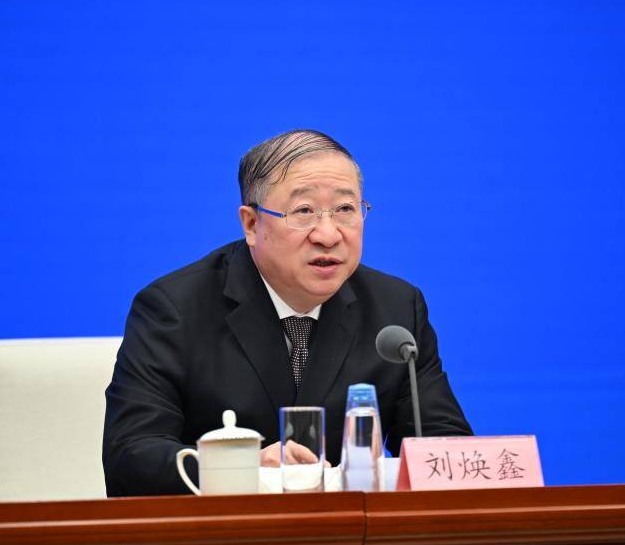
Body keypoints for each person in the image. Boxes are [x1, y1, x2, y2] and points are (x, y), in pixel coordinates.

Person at [103, 130, 471, 496]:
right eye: (304, 211)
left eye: (345, 209)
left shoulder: (396, 308)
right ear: (251, 224)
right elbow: (131, 459)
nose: (328, 234)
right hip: (225, 527)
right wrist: (245, 471)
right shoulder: (175, 309)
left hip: (348, 530)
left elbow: (448, 452)